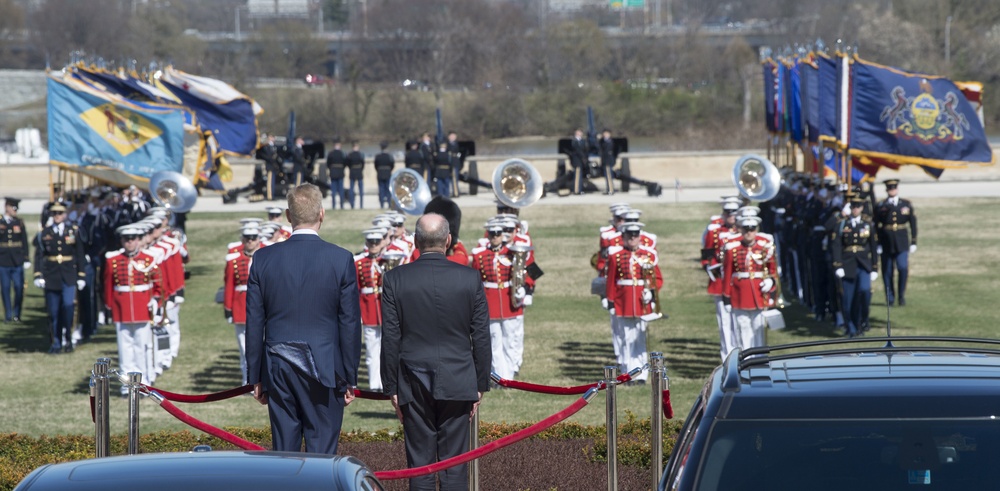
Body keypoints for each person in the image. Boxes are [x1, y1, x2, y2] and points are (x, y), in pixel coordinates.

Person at [245, 183, 361, 454]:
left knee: (285, 455)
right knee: (322, 455)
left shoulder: (263, 258)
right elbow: (349, 323)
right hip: (325, 367)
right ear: (322, 214)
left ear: (288, 215)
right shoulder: (341, 259)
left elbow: (254, 322)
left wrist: (255, 375)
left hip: (278, 365)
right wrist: (350, 377)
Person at [381, 213, 491, 491]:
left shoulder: (396, 279)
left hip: (412, 378)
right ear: (449, 241)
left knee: (421, 466)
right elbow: (480, 336)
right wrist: (479, 384)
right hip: (458, 377)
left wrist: (391, 386)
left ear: (416, 241)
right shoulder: (469, 278)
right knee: (454, 468)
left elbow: (391, 338)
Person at [104, 224, 161, 395]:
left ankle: (143, 381)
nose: (129, 243)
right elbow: (108, 286)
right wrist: (109, 307)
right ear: (122, 241)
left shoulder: (149, 259)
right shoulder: (113, 260)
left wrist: (155, 302)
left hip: (142, 307)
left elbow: (157, 284)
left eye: (133, 239)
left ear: (138, 240)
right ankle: (126, 383)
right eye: (126, 240)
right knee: (124, 348)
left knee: (141, 346)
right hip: (121, 310)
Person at [604, 221, 662, 382]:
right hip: (623, 301)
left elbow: (657, 278)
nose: (632, 239)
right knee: (626, 338)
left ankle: (642, 373)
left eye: (635, 236)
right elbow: (611, 280)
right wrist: (610, 300)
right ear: (623, 237)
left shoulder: (648, 255)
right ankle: (627, 372)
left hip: (641, 302)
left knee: (640, 337)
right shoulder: (616, 255)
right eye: (629, 236)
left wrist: (650, 292)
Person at [471, 220, 523, 380]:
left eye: (498, 234)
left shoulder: (512, 253)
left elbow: (522, 271)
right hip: (490, 302)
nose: (495, 237)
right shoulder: (480, 255)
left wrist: (523, 289)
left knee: (510, 339)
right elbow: (475, 280)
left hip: (508, 301)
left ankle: (510, 373)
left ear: (502, 235)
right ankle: (501, 377)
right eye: (492, 234)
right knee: (494, 341)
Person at [33, 203, 86, 354]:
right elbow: (39, 255)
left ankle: (68, 339)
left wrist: (81, 275)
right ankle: (56, 341)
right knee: (53, 311)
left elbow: (80, 254)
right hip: (52, 275)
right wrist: (38, 274)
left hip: (69, 275)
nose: (57, 215)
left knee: (68, 307)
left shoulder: (73, 231)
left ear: (65, 215)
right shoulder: (45, 233)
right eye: (54, 213)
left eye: (60, 213)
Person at [721, 215, 778, 351]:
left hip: (759, 294)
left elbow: (772, 270)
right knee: (743, 328)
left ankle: (760, 358)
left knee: (759, 329)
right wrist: (727, 298)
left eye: (752, 229)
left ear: (756, 230)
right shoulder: (733, 249)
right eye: (746, 229)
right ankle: (746, 358)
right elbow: (728, 273)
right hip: (739, 295)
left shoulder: (764, 248)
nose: (749, 233)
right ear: (741, 230)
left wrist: (771, 281)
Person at [832, 196, 878, 338]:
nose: (856, 209)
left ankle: (862, 320)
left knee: (864, 292)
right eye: (853, 206)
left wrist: (875, 267)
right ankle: (851, 327)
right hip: (847, 264)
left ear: (862, 208)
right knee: (848, 299)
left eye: (858, 206)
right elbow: (837, 245)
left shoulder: (867, 224)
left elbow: (873, 246)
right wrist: (838, 264)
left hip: (863, 264)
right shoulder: (842, 224)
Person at [224, 223, 263, 386]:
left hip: (261, 305)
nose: (250, 242)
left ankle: (261, 378)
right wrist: (228, 308)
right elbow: (229, 285)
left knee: (262, 343)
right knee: (244, 347)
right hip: (241, 306)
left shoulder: (265, 258)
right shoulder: (234, 261)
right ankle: (246, 380)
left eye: (253, 238)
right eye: (247, 239)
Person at [702, 198, 741, 360]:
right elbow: (707, 254)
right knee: (724, 320)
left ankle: (741, 352)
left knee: (739, 320)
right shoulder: (715, 231)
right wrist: (710, 267)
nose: (730, 217)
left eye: (733, 213)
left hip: (738, 282)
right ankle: (727, 356)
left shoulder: (742, 232)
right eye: (727, 213)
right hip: (720, 279)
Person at [355, 227, 389, 391]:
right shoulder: (359, 263)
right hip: (368, 309)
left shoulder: (387, 261)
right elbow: (356, 289)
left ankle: (385, 381)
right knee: (371, 348)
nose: (374, 245)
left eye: (376, 242)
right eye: (371, 242)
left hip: (384, 309)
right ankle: (374, 383)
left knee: (386, 347)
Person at [875, 179, 917, 306]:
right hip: (886, 241)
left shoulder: (905, 204)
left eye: (894, 188)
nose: (892, 190)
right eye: (890, 188)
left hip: (901, 241)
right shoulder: (881, 205)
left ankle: (901, 295)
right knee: (887, 271)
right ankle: (890, 297)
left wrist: (914, 241)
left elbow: (912, 223)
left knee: (903, 268)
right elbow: (876, 225)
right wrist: (877, 243)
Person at [0, 197, 30, 323]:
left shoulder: (19, 222)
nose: (15, 211)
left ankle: (17, 313)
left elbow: (24, 241)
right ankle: (8, 314)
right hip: (3, 259)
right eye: (13, 208)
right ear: (7, 207)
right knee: (5, 288)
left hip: (17, 259)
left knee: (19, 287)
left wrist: (26, 258)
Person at [373, 141, 395, 209]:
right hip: (388, 173)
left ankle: (382, 203)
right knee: (388, 189)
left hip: (380, 173)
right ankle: (388, 203)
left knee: (381, 189)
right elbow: (392, 165)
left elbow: (376, 165)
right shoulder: (389, 156)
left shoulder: (378, 156)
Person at [326, 141, 347, 209]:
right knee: (341, 190)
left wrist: (331, 169)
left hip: (333, 172)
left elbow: (328, 164)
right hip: (340, 172)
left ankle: (334, 205)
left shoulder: (330, 153)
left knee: (333, 190)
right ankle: (341, 205)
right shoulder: (342, 153)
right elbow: (345, 163)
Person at [569, 128, 588, 195]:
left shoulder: (583, 141)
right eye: (577, 132)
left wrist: (585, 158)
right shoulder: (574, 141)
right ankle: (576, 190)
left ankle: (580, 189)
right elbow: (577, 150)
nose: (578, 133)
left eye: (580, 132)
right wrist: (582, 156)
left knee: (580, 175)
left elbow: (585, 149)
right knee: (577, 175)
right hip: (576, 160)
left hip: (581, 161)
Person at [346, 143, 365, 209]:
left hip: (352, 171)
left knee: (351, 189)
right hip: (359, 171)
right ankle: (361, 205)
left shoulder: (350, 155)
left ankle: (352, 204)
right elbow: (363, 163)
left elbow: (348, 163)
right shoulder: (360, 154)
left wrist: (351, 168)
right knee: (361, 190)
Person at [598, 129, 616, 195]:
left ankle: (611, 190)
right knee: (607, 176)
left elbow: (606, 151)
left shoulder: (609, 142)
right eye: (604, 134)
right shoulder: (603, 141)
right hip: (605, 161)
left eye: (606, 134)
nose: (605, 135)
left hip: (608, 161)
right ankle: (609, 189)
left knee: (609, 176)